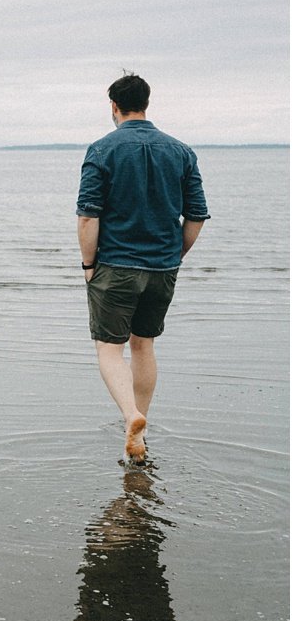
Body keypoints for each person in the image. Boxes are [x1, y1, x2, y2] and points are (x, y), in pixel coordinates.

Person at [77, 73, 208, 465]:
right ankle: (142, 426)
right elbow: (197, 216)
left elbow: (88, 217)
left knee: (109, 349)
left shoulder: (102, 150)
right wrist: (174, 256)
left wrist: (88, 265)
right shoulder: (182, 151)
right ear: (146, 103)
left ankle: (130, 415)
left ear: (113, 107)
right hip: (162, 266)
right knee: (144, 344)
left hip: (116, 264)